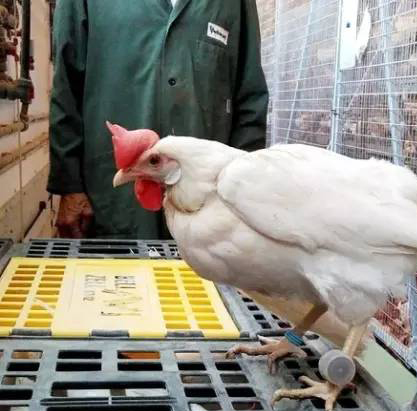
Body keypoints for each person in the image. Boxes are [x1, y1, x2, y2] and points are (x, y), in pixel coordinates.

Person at [48, 0, 268, 239]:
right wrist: (69, 186)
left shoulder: (235, 5)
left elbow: (249, 98)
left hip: (207, 211)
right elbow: (66, 86)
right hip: (111, 200)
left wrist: (243, 195)